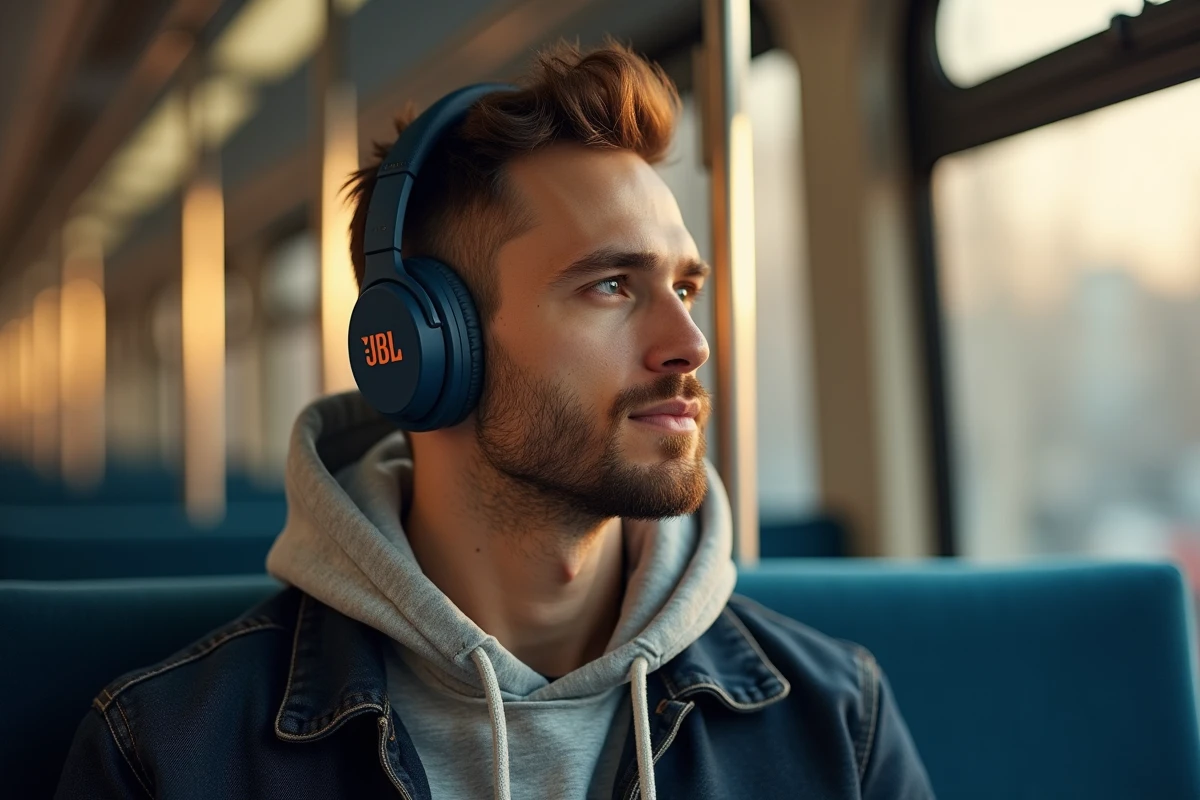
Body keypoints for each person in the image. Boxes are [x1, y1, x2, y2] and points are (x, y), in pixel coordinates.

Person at [55, 39, 934, 799]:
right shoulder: (168, 756)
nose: (689, 343)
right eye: (611, 286)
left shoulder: (838, 723)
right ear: (431, 347)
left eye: (685, 287)